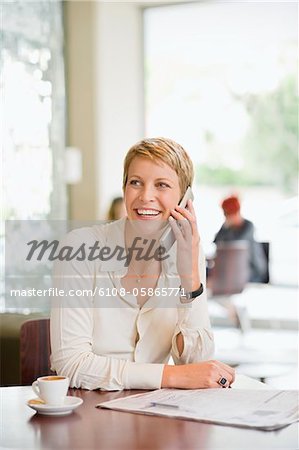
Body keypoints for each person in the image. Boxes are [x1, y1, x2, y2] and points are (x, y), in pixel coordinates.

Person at [50, 137, 235, 391]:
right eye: (135, 182)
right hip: (87, 414)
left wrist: (189, 278)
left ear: (185, 198)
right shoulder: (78, 248)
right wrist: (170, 376)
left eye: (162, 185)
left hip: (155, 415)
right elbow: (71, 365)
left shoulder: (189, 250)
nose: (146, 196)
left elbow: (195, 364)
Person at [214, 195, 267, 283]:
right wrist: (225, 228)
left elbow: (234, 245)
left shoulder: (248, 226)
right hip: (235, 270)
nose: (225, 217)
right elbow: (216, 242)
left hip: (252, 271)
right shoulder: (227, 227)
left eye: (227, 214)